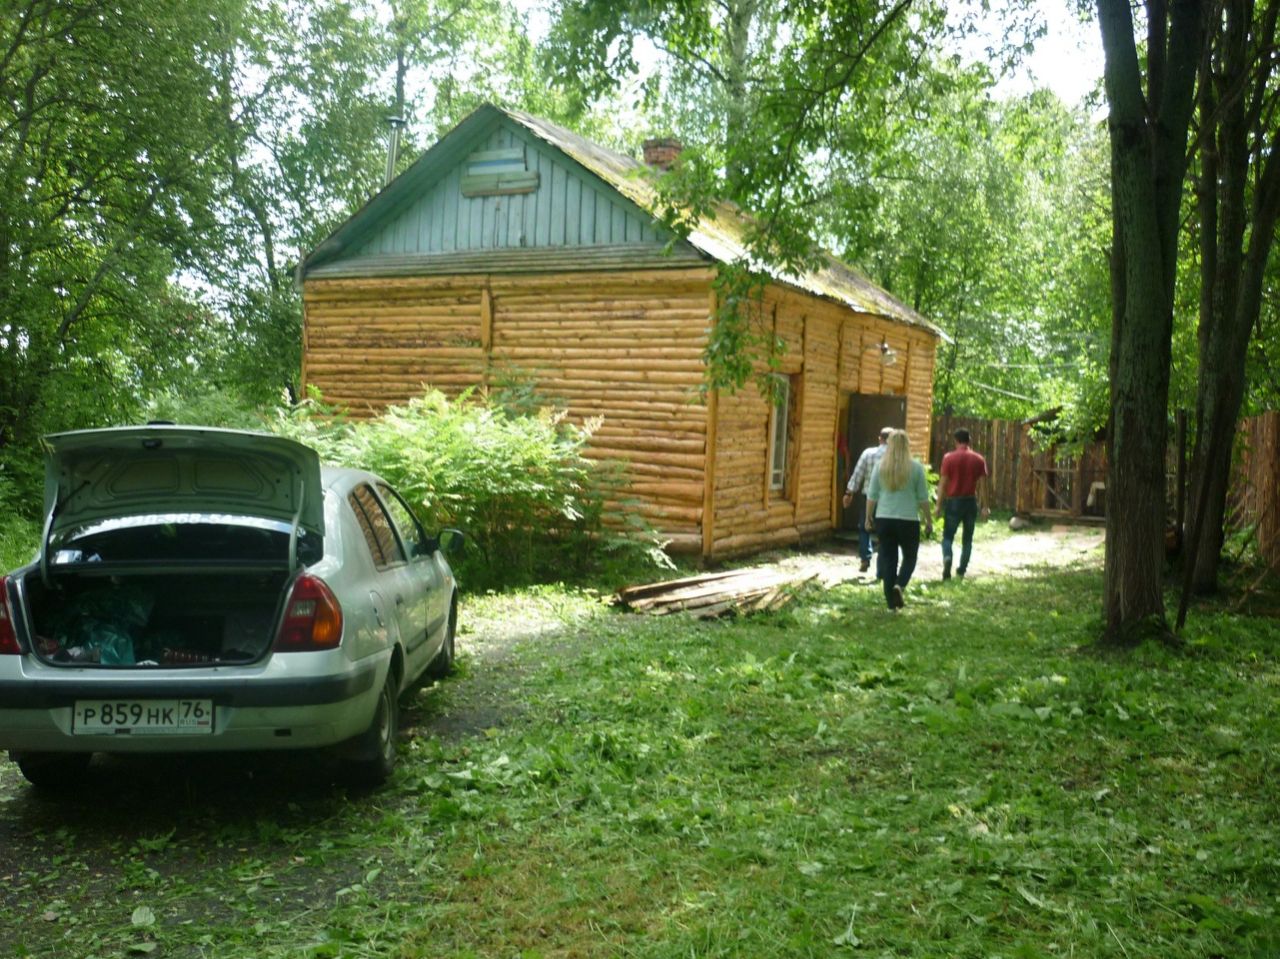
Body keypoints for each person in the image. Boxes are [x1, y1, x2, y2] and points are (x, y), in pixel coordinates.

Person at [865, 429, 932, 610]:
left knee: (889, 559)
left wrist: (868, 517)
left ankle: (891, 605)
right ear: (907, 446)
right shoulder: (916, 467)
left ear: (890, 445)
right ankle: (899, 585)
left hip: (884, 519)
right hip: (908, 519)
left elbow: (872, 496)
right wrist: (928, 521)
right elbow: (923, 498)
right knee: (910, 557)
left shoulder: (881, 467)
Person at [935, 427, 989, 580]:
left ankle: (947, 557)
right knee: (967, 539)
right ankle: (961, 570)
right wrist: (985, 506)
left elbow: (943, 482)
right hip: (970, 501)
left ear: (956, 441)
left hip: (953, 501)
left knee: (947, 536)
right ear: (969, 441)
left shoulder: (948, 458)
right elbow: (984, 485)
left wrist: (938, 505)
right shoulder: (978, 459)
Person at [842, 426, 892, 573]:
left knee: (865, 527)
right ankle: (881, 566)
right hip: (888, 498)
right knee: (885, 530)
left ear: (879, 439)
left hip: (868, 497)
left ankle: (865, 557)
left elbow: (858, 473)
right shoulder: (895, 456)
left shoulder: (868, 453)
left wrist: (849, 492)